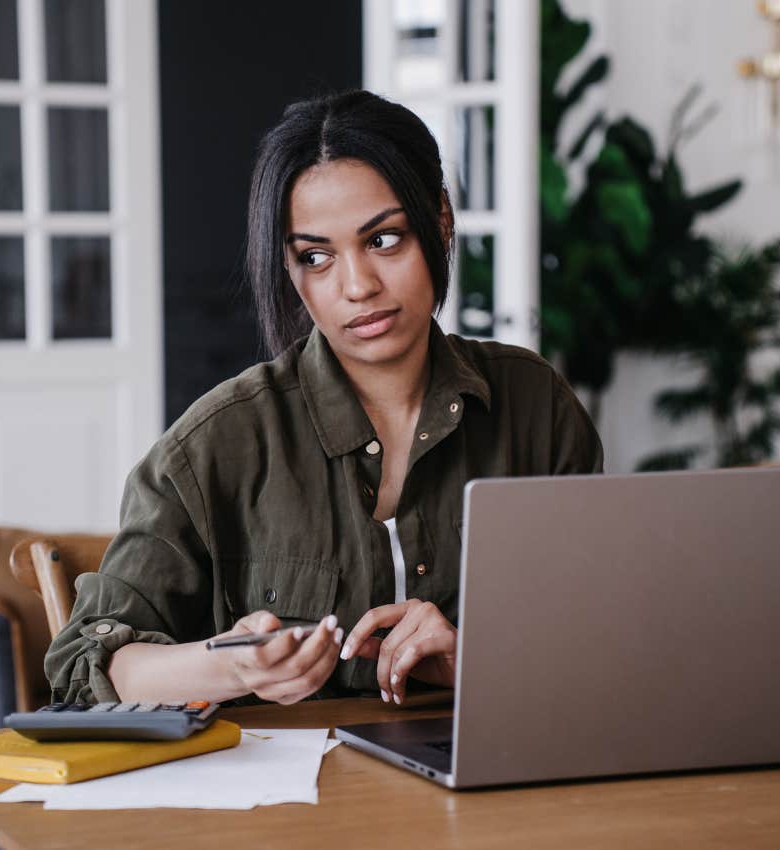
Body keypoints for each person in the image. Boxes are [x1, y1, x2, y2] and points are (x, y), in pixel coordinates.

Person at [45, 90, 603, 708]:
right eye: (315, 256)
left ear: (440, 222)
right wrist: (229, 668)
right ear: (288, 268)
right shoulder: (215, 446)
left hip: (498, 786)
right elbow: (83, 668)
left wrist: (476, 657)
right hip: (288, 801)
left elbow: (603, 634)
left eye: (385, 240)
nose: (357, 286)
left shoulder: (534, 406)